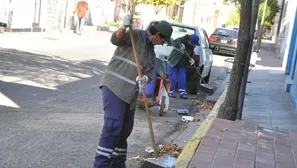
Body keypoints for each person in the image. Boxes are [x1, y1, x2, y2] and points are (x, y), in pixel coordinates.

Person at [93, 15, 173, 168]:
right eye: (163, 40)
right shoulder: (134, 35)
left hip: (130, 94)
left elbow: (150, 71)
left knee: (125, 129)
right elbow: (115, 39)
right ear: (157, 35)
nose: (163, 43)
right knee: (113, 125)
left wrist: (146, 78)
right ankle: (101, 164)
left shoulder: (151, 51)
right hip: (114, 87)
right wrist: (123, 27)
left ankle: (117, 163)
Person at [167, 34, 200, 99]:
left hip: (182, 64)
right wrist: (180, 45)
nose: (194, 45)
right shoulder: (182, 39)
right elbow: (174, 42)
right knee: (172, 78)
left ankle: (183, 93)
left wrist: (191, 59)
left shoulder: (191, 47)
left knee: (182, 78)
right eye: (193, 43)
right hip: (173, 62)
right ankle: (170, 92)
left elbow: (191, 53)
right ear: (190, 40)